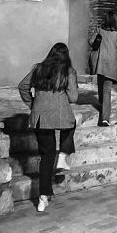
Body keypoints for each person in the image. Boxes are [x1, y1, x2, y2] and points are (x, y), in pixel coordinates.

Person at [18, 43, 78, 213]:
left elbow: (22, 86)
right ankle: (63, 155)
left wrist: (33, 104)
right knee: (71, 125)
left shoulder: (38, 69)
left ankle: (43, 198)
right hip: (60, 114)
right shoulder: (68, 71)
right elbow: (73, 98)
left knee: (46, 156)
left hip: (40, 118)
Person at [90, 11, 117, 127]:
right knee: (107, 90)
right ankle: (105, 118)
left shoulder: (100, 30)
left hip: (100, 62)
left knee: (101, 84)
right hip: (111, 64)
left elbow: (91, 41)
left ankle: (101, 102)